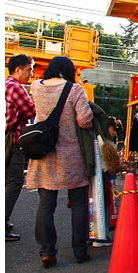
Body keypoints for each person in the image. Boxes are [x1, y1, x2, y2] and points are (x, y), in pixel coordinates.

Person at [25, 56, 93, 268]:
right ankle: (80, 251)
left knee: (46, 205)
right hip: (70, 155)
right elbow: (84, 120)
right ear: (69, 70)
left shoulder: (36, 87)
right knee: (79, 204)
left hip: (43, 152)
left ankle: (47, 252)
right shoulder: (75, 89)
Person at [5, 53, 36, 242]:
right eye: (29, 69)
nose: (31, 73)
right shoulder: (16, 88)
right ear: (18, 69)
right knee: (15, 182)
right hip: (12, 141)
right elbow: (31, 111)